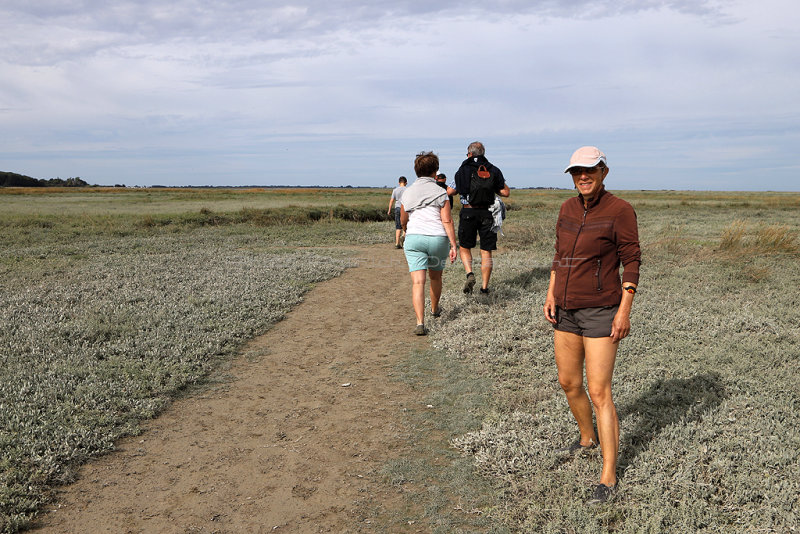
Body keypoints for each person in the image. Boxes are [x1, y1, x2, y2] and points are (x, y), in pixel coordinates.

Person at [542, 146, 641, 505]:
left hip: (601, 310)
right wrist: (551, 293)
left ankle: (609, 474)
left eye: (590, 170)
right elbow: (559, 255)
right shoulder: (567, 208)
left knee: (599, 391)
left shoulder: (620, 210)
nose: (583, 177)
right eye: (576, 172)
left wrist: (623, 310)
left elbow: (631, 261)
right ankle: (587, 437)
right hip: (565, 310)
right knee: (568, 383)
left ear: (604, 171)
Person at [400, 152, 458, 335]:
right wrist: (453, 245)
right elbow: (447, 221)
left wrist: (405, 230)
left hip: (414, 238)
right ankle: (434, 309)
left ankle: (419, 323)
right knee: (435, 277)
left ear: (416, 171)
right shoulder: (441, 192)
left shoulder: (408, 192)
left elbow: (403, 219)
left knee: (418, 282)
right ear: (435, 172)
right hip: (437, 239)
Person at [449, 141, 510, 294]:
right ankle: (484, 287)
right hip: (488, 213)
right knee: (486, 251)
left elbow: (450, 191)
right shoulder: (493, 169)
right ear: (483, 153)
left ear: (469, 154)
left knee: (464, 247)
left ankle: (470, 273)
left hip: (468, 212)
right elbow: (505, 192)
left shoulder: (463, 169)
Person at [388, 176, 408, 248]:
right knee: (406, 225)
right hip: (405, 208)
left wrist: (389, 210)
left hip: (397, 208)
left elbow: (391, 201)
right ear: (406, 182)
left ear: (399, 183)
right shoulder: (407, 189)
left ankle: (397, 243)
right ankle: (404, 237)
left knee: (398, 226)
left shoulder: (395, 190)